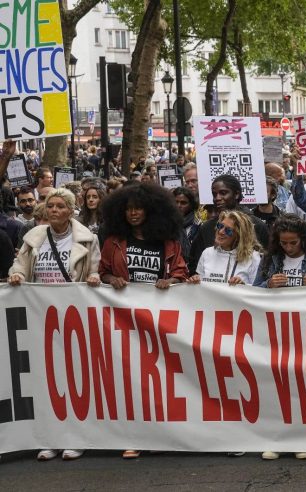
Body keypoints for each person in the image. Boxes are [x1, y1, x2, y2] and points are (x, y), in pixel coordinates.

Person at [8, 188, 101, 461]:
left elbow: (94, 268)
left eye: (61, 206)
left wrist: (94, 277)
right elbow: (21, 264)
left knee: (74, 379)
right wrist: (16, 274)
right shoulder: (34, 238)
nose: (54, 211)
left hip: (74, 317)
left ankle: (77, 437)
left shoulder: (87, 239)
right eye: (51, 206)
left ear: (71, 210)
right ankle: (50, 438)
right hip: (40, 317)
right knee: (45, 380)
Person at [98, 183, 188, 459]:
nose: (133, 214)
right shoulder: (113, 241)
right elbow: (102, 272)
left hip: (159, 321)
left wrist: (169, 280)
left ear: (151, 210)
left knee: (161, 379)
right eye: (128, 210)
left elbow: (181, 272)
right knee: (130, 379)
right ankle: (133, 436)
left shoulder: (167, 241)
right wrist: (112, 279)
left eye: (137, 209)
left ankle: (162, 434)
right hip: (125, 321)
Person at [189, 175, 269, 273]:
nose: (217, 198)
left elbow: (267, 265)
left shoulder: (257, 225)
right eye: (214, 194)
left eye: (223, 193)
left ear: (236, 194)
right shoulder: (206, 228)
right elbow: (194, 265)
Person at [187, 210, 261, 285]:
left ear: (239, 236)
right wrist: (195, 280)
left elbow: (257, 289)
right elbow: (201, 286)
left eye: (228, 230)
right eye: (220, 226)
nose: (221, 232)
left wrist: (243, 286)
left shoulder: (253, 257)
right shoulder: (207, 253)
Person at [254, 214, 306, 289]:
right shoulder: (268, 258)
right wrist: (269, 284)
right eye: (284, 243)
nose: (289, 248)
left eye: (293, 243)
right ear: (278, 241)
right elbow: (255, 290)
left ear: (303, 239)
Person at [173, 187, 201, 262]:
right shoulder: (167, 223)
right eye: (176, 202)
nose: (179, 205)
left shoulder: (198, 224)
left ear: (191, 205)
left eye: (183, 203)